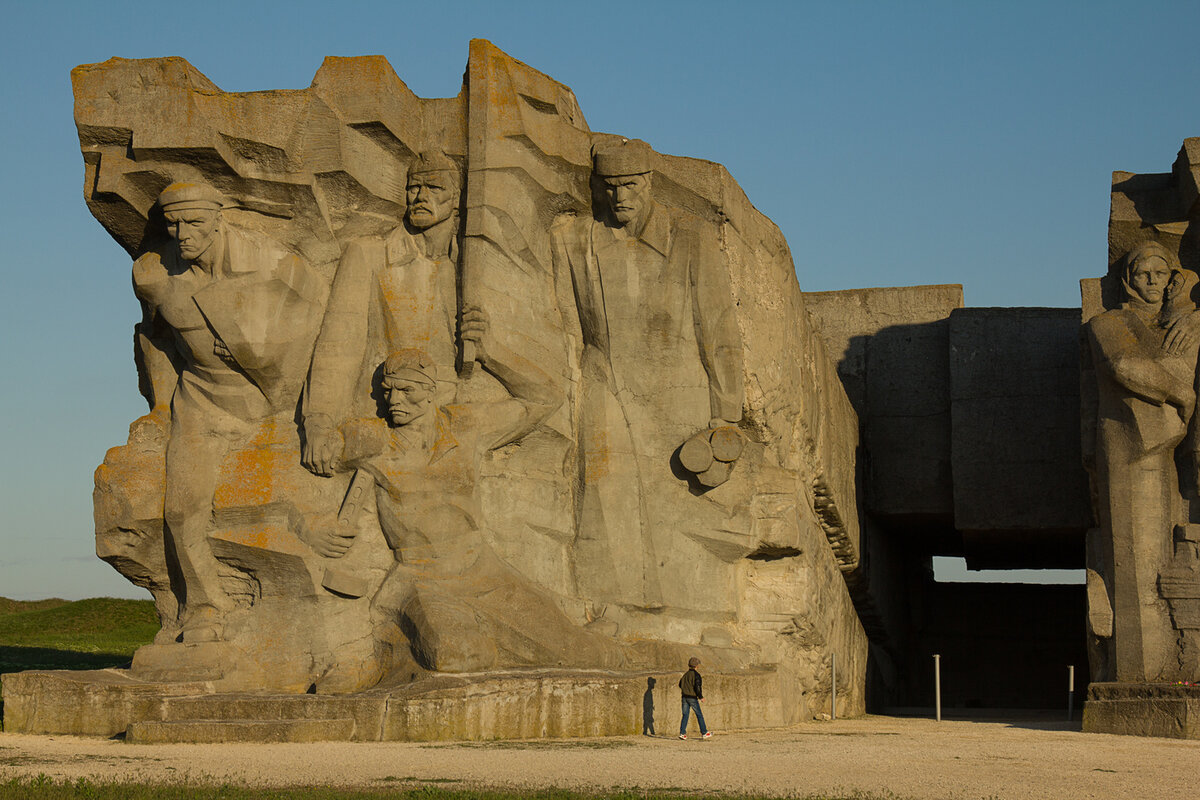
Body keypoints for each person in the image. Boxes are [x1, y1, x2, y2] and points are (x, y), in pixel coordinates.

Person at [314, 307, 627, 673]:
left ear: (430, 392)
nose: (394, 401)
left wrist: (491, 352)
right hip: (421, 580)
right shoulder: (373, 438)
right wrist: (318, 430)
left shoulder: (466, 426)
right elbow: (324, 454)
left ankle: (594, 638)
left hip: (483, 571)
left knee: (585, 655)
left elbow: (544, 398)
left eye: (406, 391)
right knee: (459, 655)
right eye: (388, 392)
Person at [551, 138, 745, 613]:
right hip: (605, 385)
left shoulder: (690, 236)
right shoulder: (573, 240)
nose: (621, 197)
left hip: (677, 395)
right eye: (611, 186)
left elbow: (718, 328)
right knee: (602, 500)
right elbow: (560, 323)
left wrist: (727, 414)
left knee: (683, 511)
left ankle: (702, 618)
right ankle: (609, 611)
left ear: (650, 182)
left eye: (631, 185)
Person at [133, 181, 324, 642]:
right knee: (180, 509)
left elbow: (321, 330)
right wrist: (160, 406)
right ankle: (203, 607)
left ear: (219, 220)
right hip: (200, 401)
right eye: (173, 224)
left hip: (271, 404)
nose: (182, 234)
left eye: (194, 223)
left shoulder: (274, 264)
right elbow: (154, 339)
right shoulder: (152, 275)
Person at [303, 151, 463, 477]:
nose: (420, 197)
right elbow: (339, 344)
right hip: (385, 430)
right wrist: (320, 421)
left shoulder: (471, 268)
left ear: (456, 199)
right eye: (414, 187)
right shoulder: (369, 255)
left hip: (451, 439)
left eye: (434, 188)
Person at [1088, 240, 1200, 682]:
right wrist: (1181, 392)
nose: (1151, 281)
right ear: (1127, 281)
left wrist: (1187, 310)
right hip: (1128, 451)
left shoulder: (1181, 326)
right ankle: (1137, 674)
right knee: (1133, 568)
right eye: (1142, 274)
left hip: (1170, 450)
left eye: (1160, 273)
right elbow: (1125, 365)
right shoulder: (1109, 322)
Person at [678, 656, 711, 739]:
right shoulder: (696, 675)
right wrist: (701, 697)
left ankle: (682, 733)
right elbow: (697, 687)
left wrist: (686, 690)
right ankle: (704, 732)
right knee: (699, 715)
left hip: (684, 697)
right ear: (697, 666)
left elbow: (680, 684)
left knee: (685, 715)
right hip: (692, 697)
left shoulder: (685, 675)